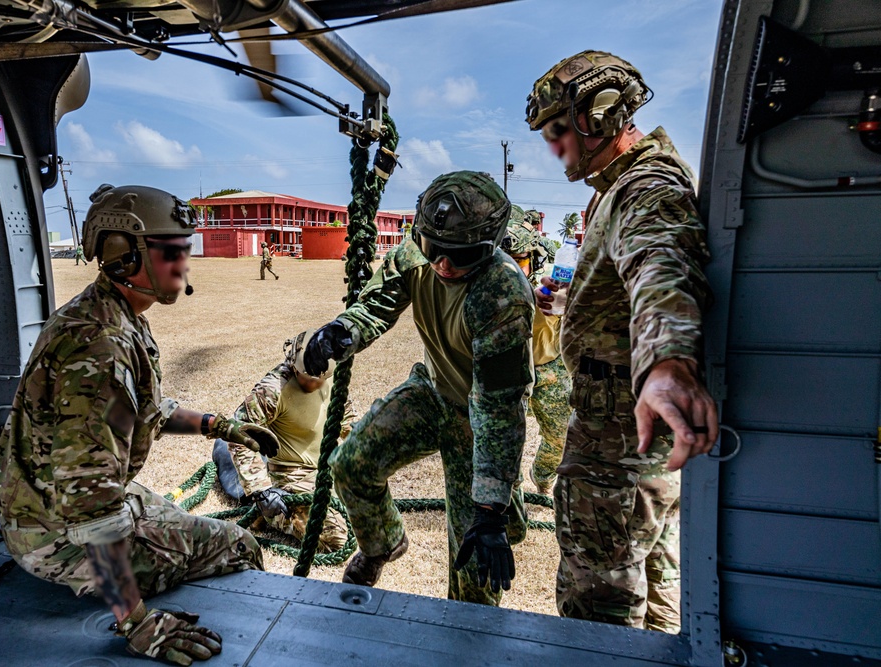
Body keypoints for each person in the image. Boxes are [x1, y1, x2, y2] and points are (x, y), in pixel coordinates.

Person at [0, 184, 281, 664]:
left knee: (187, 525)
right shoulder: (101, 346)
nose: (185, 263)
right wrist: (139, 625)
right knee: (239, 546)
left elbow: (144, 408)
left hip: (48, 508)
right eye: (173, 251)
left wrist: (220, 426)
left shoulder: (111, 313)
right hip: (59, 535)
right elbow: (91, 503)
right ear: (123, 256)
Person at [526, 51, 718, 632]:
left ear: (602, 115)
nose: (553, 147)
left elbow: (661, 262)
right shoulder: (616, 186)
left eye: (558, 130)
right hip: (635, 439)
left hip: (619, 445)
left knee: (600, 616)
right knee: (657, 597)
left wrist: (666, 361)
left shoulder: (646, 185)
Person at [303, 171, 534, 606]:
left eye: (461, 256)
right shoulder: (415, 253)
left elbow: (499, 408)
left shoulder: (503, 294)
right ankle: (382, 545)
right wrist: (342, 332)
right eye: (434, 250)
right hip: (431, 393)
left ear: (490, 247)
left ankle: (470, 632)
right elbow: (376, 303)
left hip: (478, 421)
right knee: (352, 464)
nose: (444, 265)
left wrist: (488, 509)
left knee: (473, 565)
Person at [216, 327, 355, 553]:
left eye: (322, 379)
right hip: (292, 477)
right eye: (308, 378)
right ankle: (274, 515)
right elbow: (240, 434)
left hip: (328, 467)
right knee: (335, 538)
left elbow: (346, 417)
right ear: (294, 364)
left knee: (370, 517)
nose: (316, 385)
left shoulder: (331, 376)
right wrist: (262, 492)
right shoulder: (273, 389)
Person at [500, 206, 571, 494]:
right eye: (507, 261)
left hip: (548, 367)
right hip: (508, 373)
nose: (513, 269)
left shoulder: (551, 277)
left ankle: (542, 478)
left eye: (519, 261)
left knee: (561, 437)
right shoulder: (491, 280)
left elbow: (574, 297)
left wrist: (565, 300)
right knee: (503, 442)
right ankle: (509, 494)